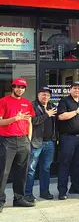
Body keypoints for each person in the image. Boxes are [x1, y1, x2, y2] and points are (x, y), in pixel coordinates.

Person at [0, 78, 35, 212]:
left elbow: (29, 123)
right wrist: (15, 118)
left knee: (21, 172)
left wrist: (28, 140)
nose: (20, 89)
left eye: (22, 87)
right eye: (17, 87)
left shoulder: (27, 103)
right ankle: (0, 201)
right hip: (7, 141)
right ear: (13, 87)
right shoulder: (3, 101)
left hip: (23, 141)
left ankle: (19, 199)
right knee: (3, 172)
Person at [57, 81, 79, 200]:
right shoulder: (65, 101)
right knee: (65, 164)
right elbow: (60, 116)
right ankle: (62, 191)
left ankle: (75, 186)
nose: (77, 90)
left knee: (77, 165)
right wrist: (76, 112)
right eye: (75, 88)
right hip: (68, 138)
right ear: (70, 89)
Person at [25, 87, 57, 202]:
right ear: (38, 95)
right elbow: (32, 121)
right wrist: (46, 115)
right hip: (36, 142)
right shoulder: (32, 106)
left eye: (48, 95)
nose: (46, 97)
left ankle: (44, 191)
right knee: (31, 169)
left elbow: (55, 123)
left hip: (49, 143)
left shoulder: (52, 106)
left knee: (46, 169)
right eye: (43, 94)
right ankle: (28, 193)